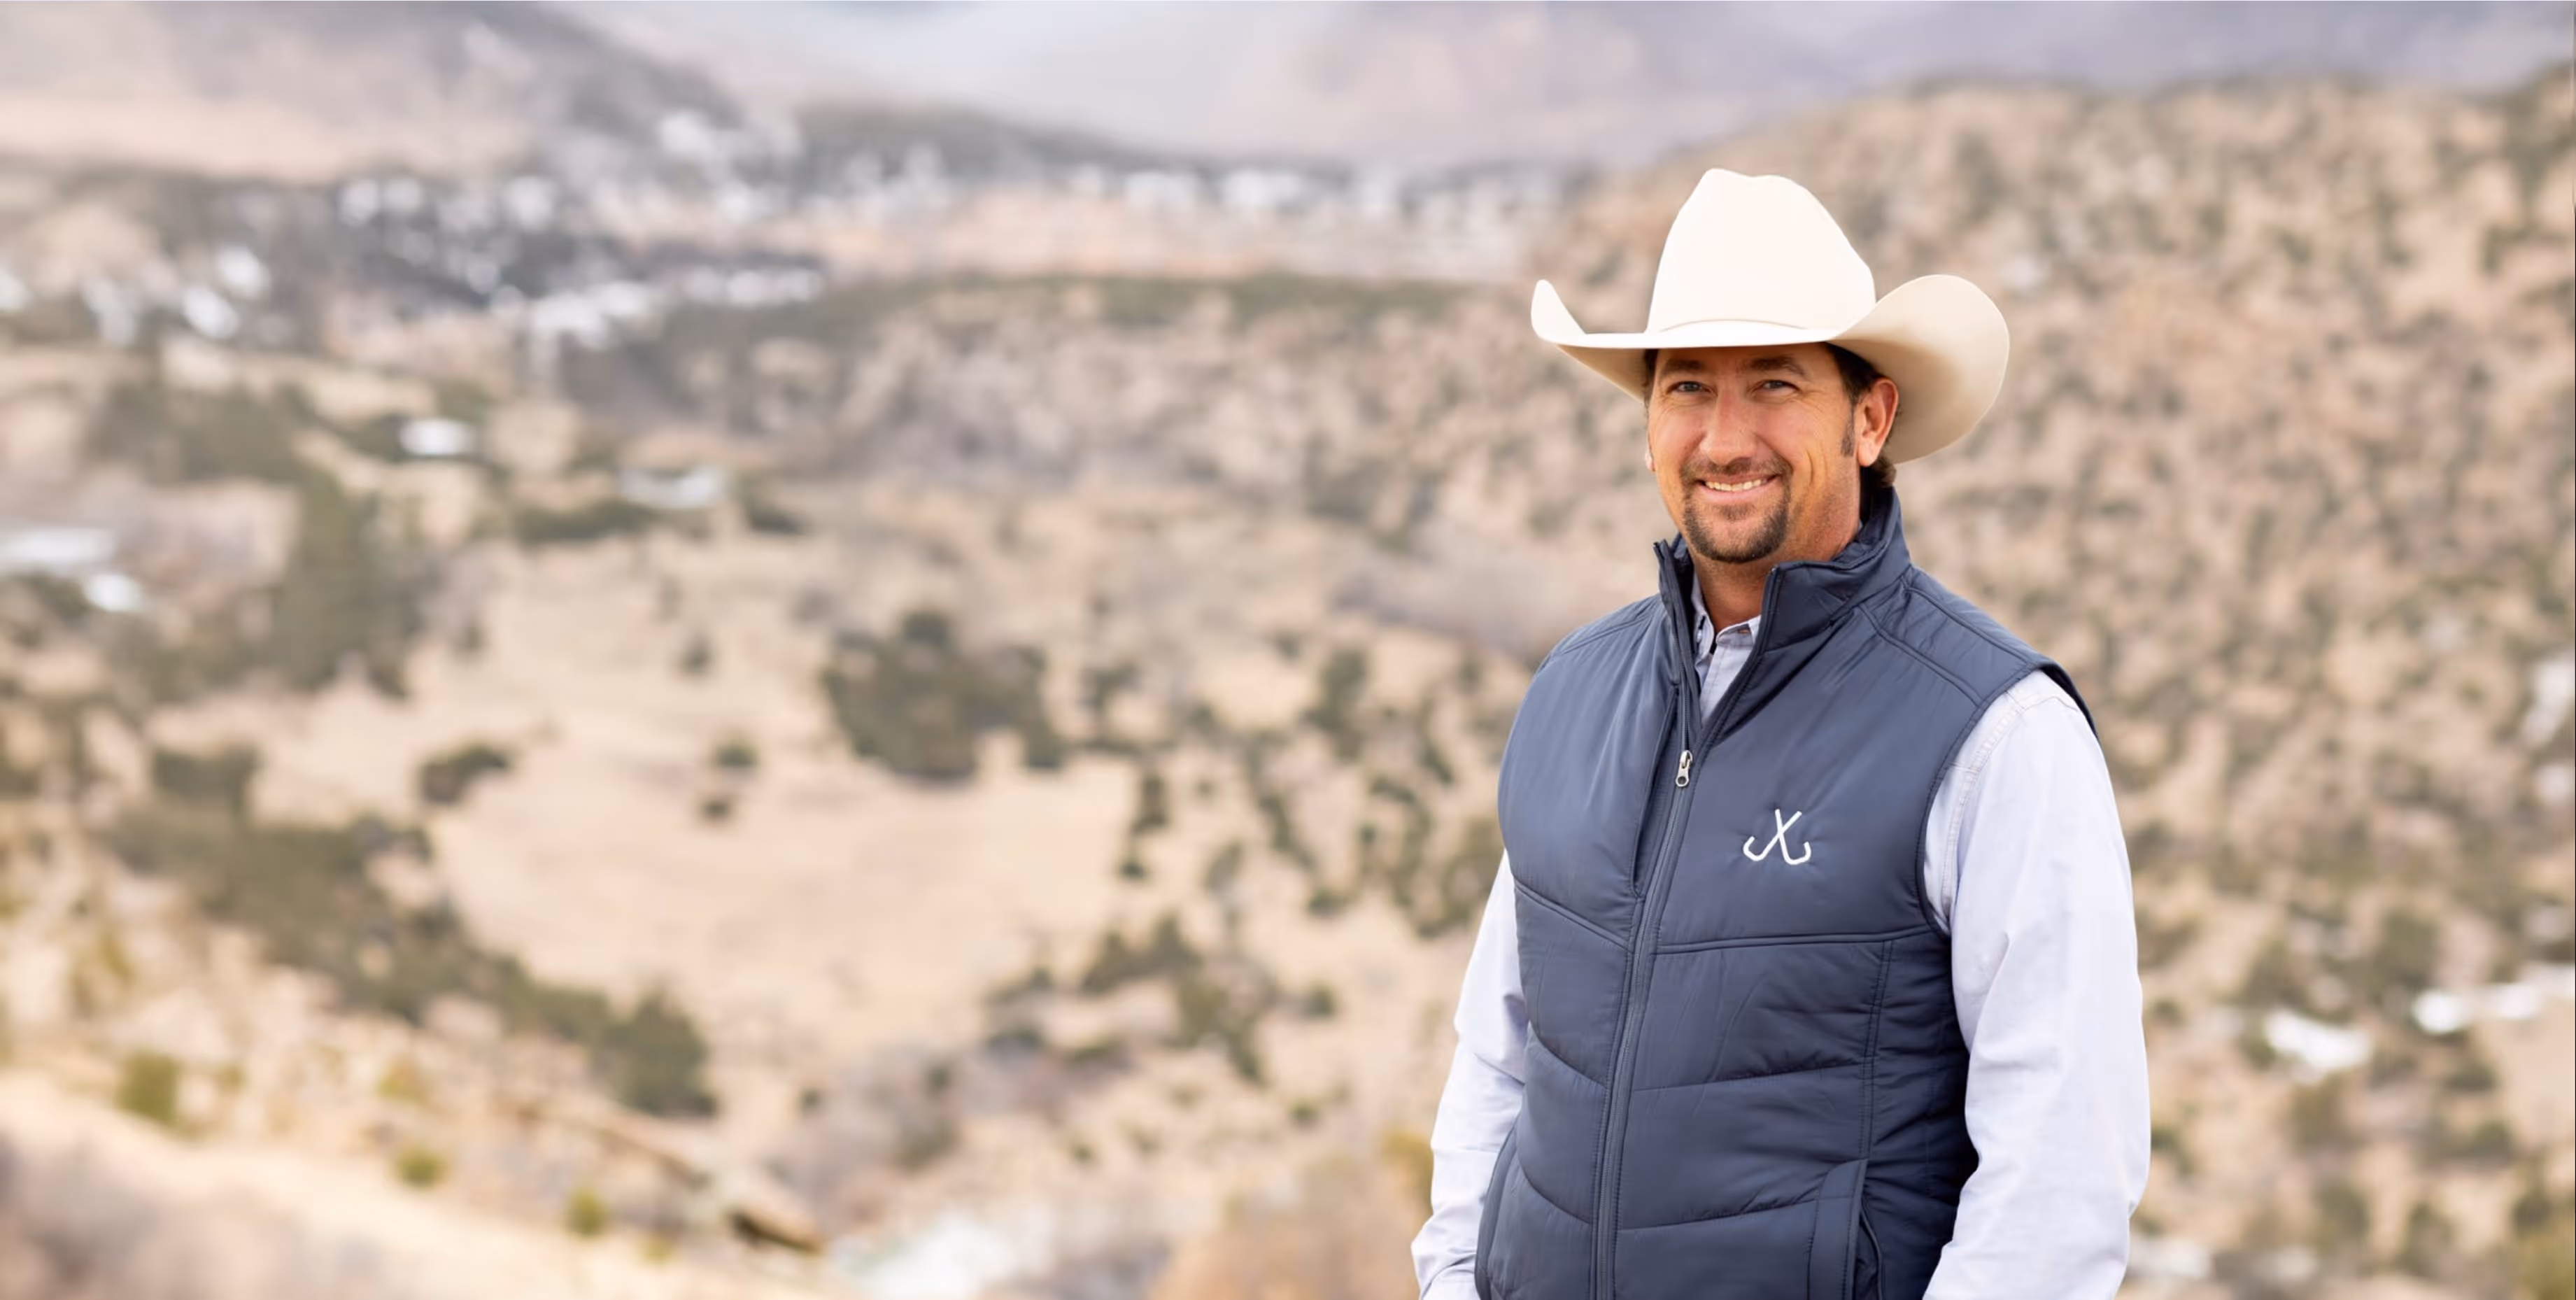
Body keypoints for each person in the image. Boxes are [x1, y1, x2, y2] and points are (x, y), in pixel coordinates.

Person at [1409, 170, 2149, 1300]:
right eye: (1686, 385)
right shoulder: (1570, 693)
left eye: (1774, 383)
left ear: (1869, 415)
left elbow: (2059, 1176)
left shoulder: (1997, 735)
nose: (1723, 434)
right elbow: (1499, 1057)